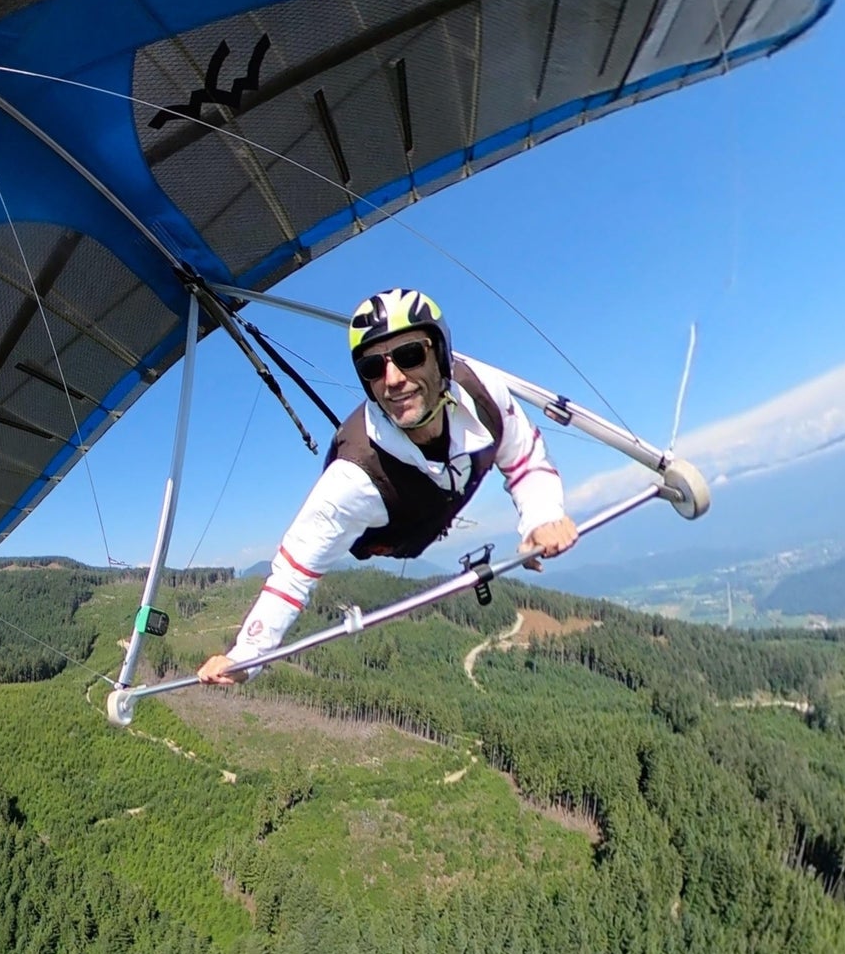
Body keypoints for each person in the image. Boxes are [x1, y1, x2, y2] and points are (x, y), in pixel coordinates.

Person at [198, 288, 578, 685]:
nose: (393, 379)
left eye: (411, 355)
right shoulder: (352, 476)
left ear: (441, 354)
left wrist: (542, 516)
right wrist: (246, 656)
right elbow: (295, 570)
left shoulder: (485, 392)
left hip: (441, 496)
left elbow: (523, 458)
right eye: (373, 368)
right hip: (391, 531)